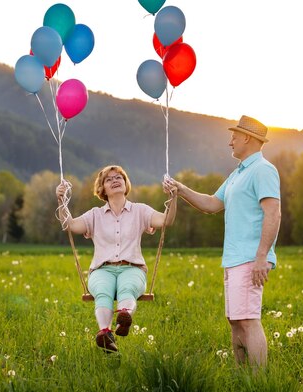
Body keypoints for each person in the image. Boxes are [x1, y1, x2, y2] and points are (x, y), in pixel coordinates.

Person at [165, 115, 281, 370]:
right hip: (233, 258)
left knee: (248, 320)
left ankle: (259, 384)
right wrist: (180, 189)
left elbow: (273, 213)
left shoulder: (263, 170)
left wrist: (262, 256)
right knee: (235, 320)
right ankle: (243, 380)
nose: (230, 142)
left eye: (234, 137)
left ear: (247, 138)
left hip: (251, 258)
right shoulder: (238, 174)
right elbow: (211, 203)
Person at [56, 165, 177, 353]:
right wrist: (61, 200)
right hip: (102, 269)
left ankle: (124, 317)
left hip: (132, 268)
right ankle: (105, 333)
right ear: (102, 189)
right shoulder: (95, 215)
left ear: (125, 183)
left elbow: (166, 221)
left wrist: (173, 197)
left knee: (127, 288)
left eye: (119, 177)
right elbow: (70, 225)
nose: (115, 180)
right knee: (103, 292)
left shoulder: (140, 211)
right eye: (108, 179)